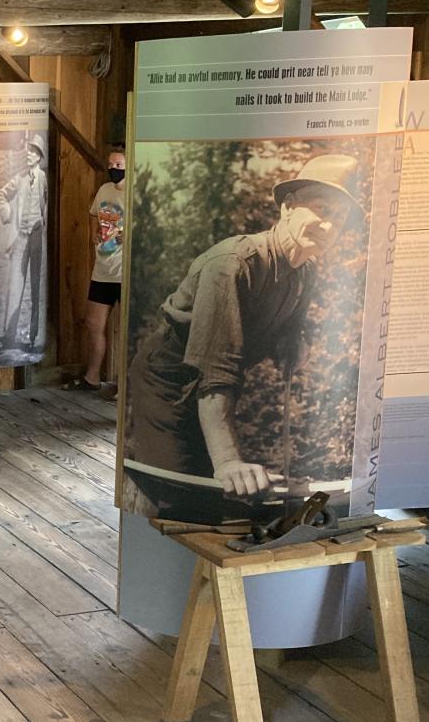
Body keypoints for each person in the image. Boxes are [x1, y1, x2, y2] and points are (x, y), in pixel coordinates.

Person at [124, 154, 361, 521]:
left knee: (223, 498)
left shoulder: (304, 269)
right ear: (288, 207)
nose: (330, 226)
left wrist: (292, 345)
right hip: (167, 386)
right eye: (320, 209)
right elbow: (216, 370)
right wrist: (229, 460)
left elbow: (289, 329)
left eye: (340, 218)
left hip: (210, 392)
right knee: (179, 498)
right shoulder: (234, 265)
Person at [73, 146, 126, 393]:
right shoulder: (105, 190)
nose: (113, 169)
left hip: (125, 272)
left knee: (129, 332)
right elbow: (94, 214)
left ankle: (127, 387)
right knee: (94, 324)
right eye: (111, 165)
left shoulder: (136, 192)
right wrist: (94, 229)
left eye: (119, 165)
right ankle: (92, 378)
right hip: (103, 268)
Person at [0, 138, 48, 350]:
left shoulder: (43, 178)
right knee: (15, 285)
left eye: (32, 152)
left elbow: (46, 203)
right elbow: (0, 195)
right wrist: (8, 214)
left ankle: (33, 337)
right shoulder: (18, 178)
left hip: (37, 236)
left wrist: (43, 223)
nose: (28, 154)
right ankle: (8, 336)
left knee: (37, 287)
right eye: (27, 151)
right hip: (20, 237)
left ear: (38, 156)